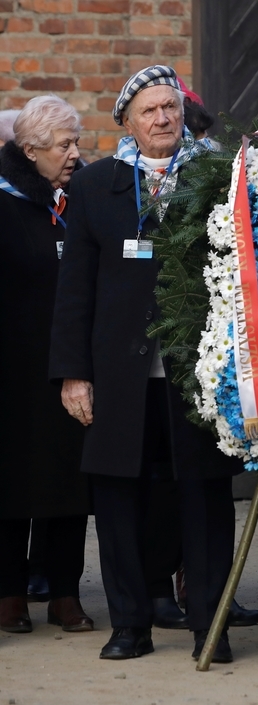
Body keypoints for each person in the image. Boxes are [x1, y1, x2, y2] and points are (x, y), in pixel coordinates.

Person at [49, 65, 241, 662]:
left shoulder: (215, 179)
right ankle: (129, 624)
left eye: (171, 108)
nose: (163, 118)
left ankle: (211, 624)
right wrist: (73, 373)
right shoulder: (96, 186)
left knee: (205, 500)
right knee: (117, 500)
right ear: (127, 121)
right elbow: (74, 288)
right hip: (118, 374)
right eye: (150, 110)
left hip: (197, 374)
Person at [0, 96, 93, 635]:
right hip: (12, 371)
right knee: (12, 482)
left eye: (77, 142)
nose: (76, 153)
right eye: (65, 145)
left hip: (68, 369)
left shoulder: (76, 203)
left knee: (67, 483)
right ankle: (10, 593)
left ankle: (64, 592)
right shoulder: (5, 204)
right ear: (30, 151)